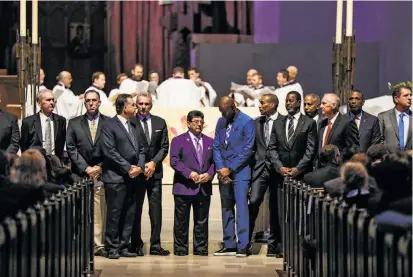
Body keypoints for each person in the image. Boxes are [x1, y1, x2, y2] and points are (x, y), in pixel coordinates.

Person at [101, 94, 146, 259]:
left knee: (129, 213)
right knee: (114, 214)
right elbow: (109, 150)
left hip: (134, 176)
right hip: (116, 177)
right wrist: (128, 167)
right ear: (123, 107)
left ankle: (123, 245)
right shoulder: (109, 124)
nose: (135, 107)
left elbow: (142, 148)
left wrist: (139, 167)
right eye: (132, 105)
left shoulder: (134, 124)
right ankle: (111, 247)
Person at [66, 90, 109, 256]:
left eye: (94, 100)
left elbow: (112, 149)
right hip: (80, 173)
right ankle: (82, 244)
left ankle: (98, 245)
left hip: (101, 173)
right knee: (80, 211)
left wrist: (99, 167)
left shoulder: (109, 123)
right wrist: (86, 168)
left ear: (99, 103)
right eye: (88, 101)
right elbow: (71, 147)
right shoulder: (74, 123)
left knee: (99, 211)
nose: (91, 103)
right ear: (84, 103)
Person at [213, 96, 255, 257]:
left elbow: (248, 149)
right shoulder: (221, 121)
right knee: (226, 207)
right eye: (220, 112)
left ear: (233, 106)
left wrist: (230, 168)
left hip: (240, 171)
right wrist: (221, 168)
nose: (223, 115)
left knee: (241, 208)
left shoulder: (247, 122)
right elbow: (216, 146)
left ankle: (243, 245)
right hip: (223, 171)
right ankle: (229, 244)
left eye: (225, 111)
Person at [170, 110, 215, 256]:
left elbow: (215, 162)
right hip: (183, 187)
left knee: (202, 221)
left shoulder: (210, 142)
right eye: (195, 122)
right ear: (188, 123)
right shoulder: (178, 140)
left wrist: (209, 174)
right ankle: (181, 249)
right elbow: (174, 161)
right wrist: (189, 174)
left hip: (203, 187)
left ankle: (201, 248)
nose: (199, 124)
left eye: (201, 122)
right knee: (181, 221)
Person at [130, 92, 170, 256]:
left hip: (155, 173)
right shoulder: (130, 122)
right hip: (136, 173)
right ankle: (136, 244)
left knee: (155, 210)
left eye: (146, 104)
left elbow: (164, 146)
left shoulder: (160, 122)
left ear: (151, 104)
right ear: (136, 105)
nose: (144, 107)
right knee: (136, 209)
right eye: (140, 104)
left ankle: (155, 245)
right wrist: (141, 166)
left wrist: (153, 163)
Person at [248, 94, 284, 257]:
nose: (259, 105)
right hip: (260, 168)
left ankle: (274, 244)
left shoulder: (284, 121)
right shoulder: (256, 122)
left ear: (273, 104)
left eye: (263, 103)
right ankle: (245, 241)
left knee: (276, 207)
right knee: (254, 201)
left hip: (277, 170)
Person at [20, 89, 67, 160]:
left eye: (53, 100)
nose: (52, 102)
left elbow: (61, 142)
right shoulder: (28, 122)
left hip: (55, 162)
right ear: (39, 103)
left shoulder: (61, 121)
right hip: (36, 162)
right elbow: (24, 145)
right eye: (48, 100)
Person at [378, 86, 412, 151]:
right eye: (405, 95)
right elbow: (379, 140)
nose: (409, 98)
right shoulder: (383, 117)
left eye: (410, 95)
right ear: (396, 99)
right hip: (389, 158)